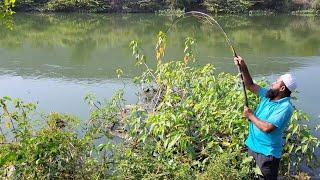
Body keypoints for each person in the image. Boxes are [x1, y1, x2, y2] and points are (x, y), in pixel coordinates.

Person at [234, 56, 297, 180]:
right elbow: (250, 85)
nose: (273, 83)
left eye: (276, 82)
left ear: (282, 88)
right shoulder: (269, 95)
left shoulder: (285, 107)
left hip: (266, 155)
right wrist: (243, 67)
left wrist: (251, 115)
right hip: (252, 146)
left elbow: (268, 128)